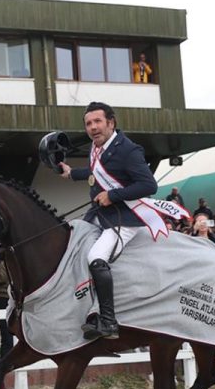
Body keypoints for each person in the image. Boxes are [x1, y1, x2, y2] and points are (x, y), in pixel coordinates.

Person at [58, 102, 160, 340]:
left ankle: (108, 322)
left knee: (95, 257)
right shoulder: (98, 147)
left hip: (124, 219)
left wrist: (113, 195)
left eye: (97, 122)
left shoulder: (129, 150)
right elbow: (95, 172)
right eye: (88, 124)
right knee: (73, 242)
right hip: (101, 215)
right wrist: (71, 173)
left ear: (111, 123)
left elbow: (149, 185)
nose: (93, 127)